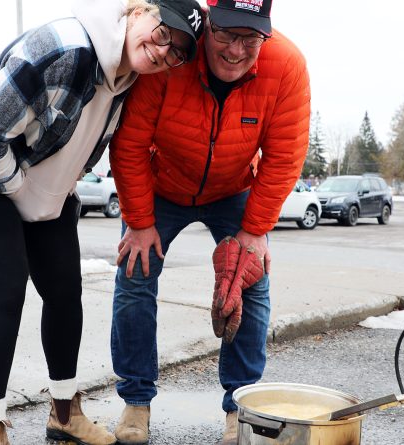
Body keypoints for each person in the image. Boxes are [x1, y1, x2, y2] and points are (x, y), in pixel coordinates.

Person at [0, 1, 204, 444]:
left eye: (178, 51)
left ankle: (64, 414)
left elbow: (80, 144)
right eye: (164, 32)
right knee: (6, 293)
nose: (164, 51)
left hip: (40, 185)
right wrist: (18, 190)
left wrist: (54, 188)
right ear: (140, 11)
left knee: (66, 290)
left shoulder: (127, 79)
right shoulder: (63, 50)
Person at [108, 0, 310, 443]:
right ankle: (136, 402)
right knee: (134, 274)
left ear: (266, 34)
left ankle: (241, 406)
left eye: (250, 38)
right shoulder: (174, 52)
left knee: (252, 285)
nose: (236, 50)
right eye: (225, 35)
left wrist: (254, 231)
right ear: (208, 24)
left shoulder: (287, 66)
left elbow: (285, 156)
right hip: (164, 185)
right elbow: (130, 143)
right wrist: (139, 222)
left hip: (234, 187)